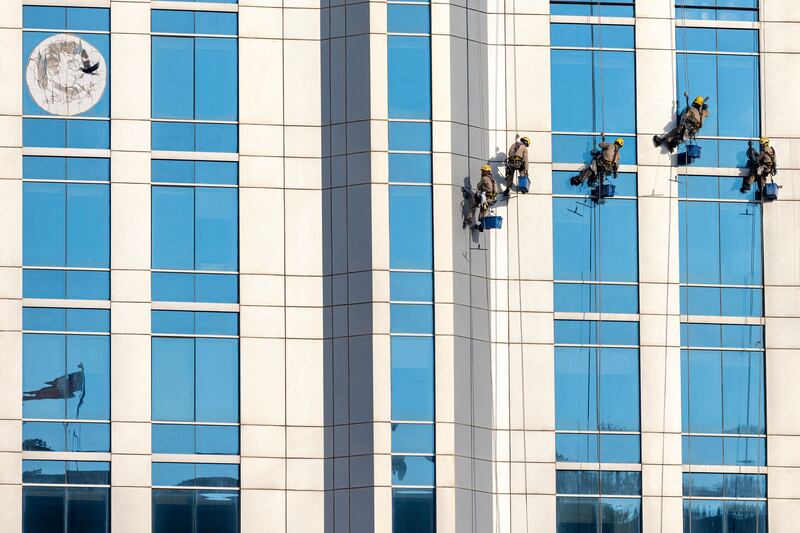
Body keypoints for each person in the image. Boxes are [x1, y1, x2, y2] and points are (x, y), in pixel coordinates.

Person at [469, 164, 498, 231]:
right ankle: (482, 225)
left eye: (483, 171)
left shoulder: (484, 178)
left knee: (476, 203)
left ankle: (477, 222)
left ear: (487, 171)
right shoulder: (493, 180)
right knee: (485, 210)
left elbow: (478, 186)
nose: (482, 172)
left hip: (486, 198)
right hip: (492, 199)